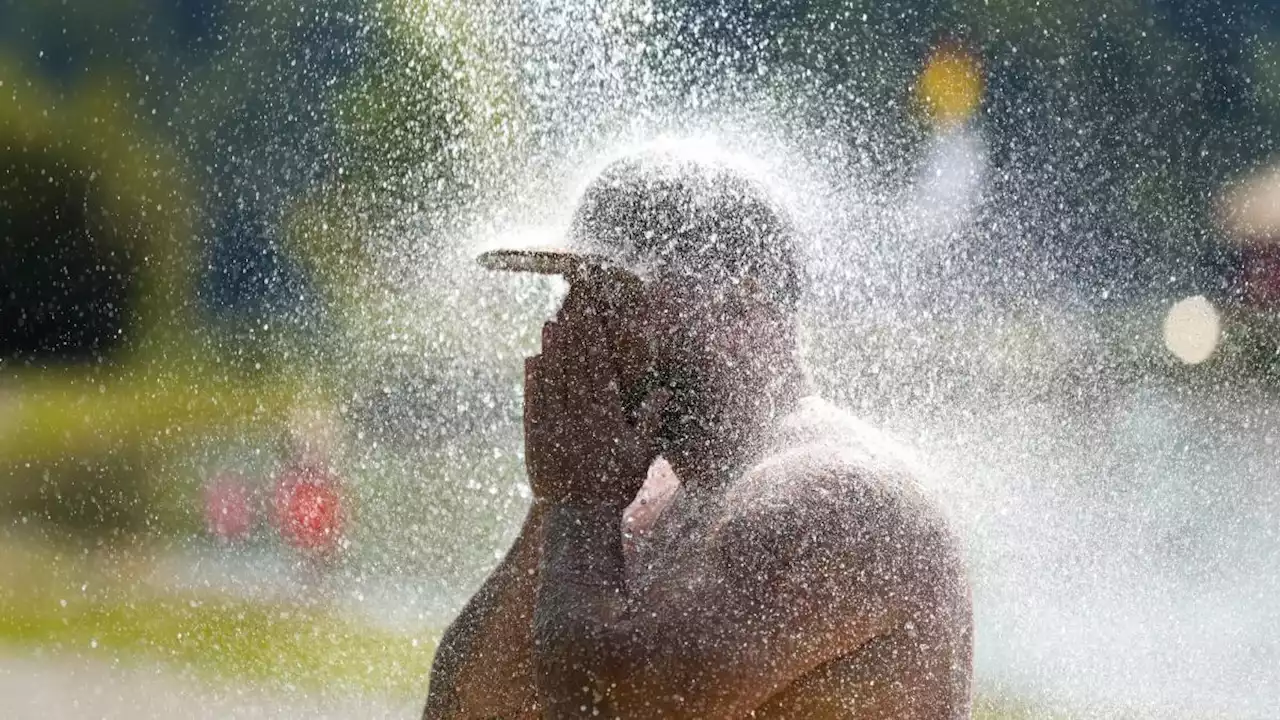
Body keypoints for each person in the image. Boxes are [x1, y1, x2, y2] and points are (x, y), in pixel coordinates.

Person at [423, 147, 972, 719]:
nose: (579, 324)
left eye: (614, 295)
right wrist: (560, 496)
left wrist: (580, 501)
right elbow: (466, 708)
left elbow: (606, 706)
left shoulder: (842, 495)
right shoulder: (647, 498)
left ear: (744, 301)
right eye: (574, 295)